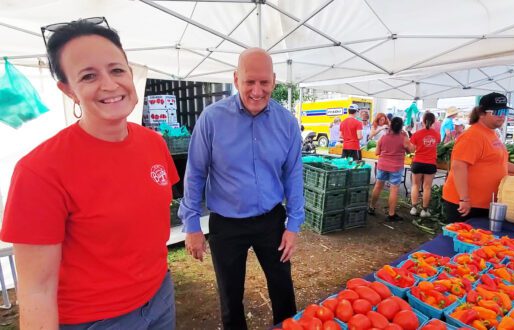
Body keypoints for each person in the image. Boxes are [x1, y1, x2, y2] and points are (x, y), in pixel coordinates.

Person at [0, 18, 179, 329]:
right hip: (95, 320)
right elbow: (36, 292)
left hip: (159, 297)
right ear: (68, 90)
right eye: (88, 76)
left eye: (117, 70)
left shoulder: (153, 144)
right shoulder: (39, 171)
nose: (109, 85)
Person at [179, 48, 303, 329]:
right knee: (230, 296)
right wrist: (192, 225)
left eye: (264, 82)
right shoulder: (211, 119)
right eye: (250, 82)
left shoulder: (287, 123)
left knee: (283, 289)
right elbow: (195, 173)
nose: (257, 91)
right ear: (236, 79)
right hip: (226, 225)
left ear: (274, 81)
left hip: (271, 221)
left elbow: (294, 174)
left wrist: (293, 225)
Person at [442, 92, 514, 222]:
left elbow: (497, 162)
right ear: (481, 113)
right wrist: (464, 198)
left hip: (484, 203)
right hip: (467, 205)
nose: (502, 116)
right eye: (497, 112)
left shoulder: (491, 133)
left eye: (504, 112)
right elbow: (458, 167)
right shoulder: (472, 136)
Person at [368, 117, 414, 221]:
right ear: (401, 127)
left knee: (378, 186)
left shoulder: (383, 137)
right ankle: (391, 214)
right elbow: (411, 150)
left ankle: (371, 207)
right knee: (393, 189)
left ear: (390, 125)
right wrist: (406, 138)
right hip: (396, 167)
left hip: (382, 165)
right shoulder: (403, 137)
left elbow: (376, 152)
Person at [410, 112, 441, 218]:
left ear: (422, 121)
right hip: (430, 163)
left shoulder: (416, 134)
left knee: (415, 185)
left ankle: (414, 209)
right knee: (427, 187)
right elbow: (437, 144)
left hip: (417, 162)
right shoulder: (437, 134)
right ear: (434, 122)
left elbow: (412, 149)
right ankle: (424, 211)